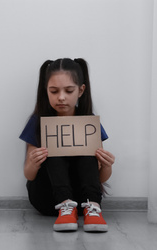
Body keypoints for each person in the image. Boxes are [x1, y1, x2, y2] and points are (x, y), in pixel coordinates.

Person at [19, 58, 115, 232]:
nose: (61, 97)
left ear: (80, 91)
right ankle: (65, 206)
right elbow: (29, 174)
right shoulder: (37, 122)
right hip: (48, 199)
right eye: (54, 91)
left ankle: (92, 208)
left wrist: (107, 166)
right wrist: (33, 162)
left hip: (83, 200)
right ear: (46, 91)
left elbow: (99, 177)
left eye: (69, 91)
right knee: (53, 147)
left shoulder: (88, 123)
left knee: (88, 152)